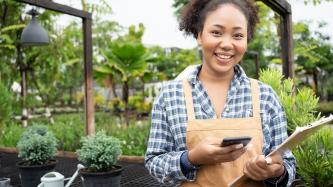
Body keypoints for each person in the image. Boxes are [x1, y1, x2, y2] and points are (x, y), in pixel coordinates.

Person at [145, 0, 296, 186]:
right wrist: (190, 159)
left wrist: (275, 172)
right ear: (199, 34)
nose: (226, 44)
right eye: (216, 32)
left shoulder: (266, 96)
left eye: (238, 35)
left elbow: (287, 164)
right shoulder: (169, 96)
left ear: (247, 40)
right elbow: (154, 162)